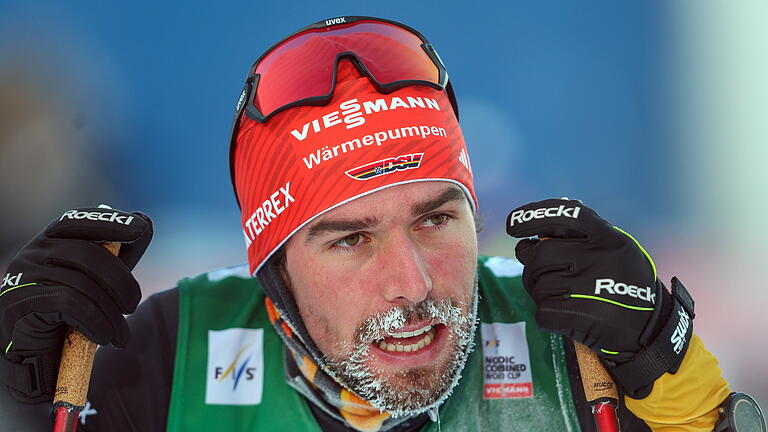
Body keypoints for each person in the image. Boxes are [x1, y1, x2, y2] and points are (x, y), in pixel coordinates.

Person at [0, 16, 762, 432]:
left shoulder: (575, 345)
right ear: (274, 268)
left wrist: (677, 377)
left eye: (435, 221)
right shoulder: (170, 359)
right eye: (351, 238)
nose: (412, 284)